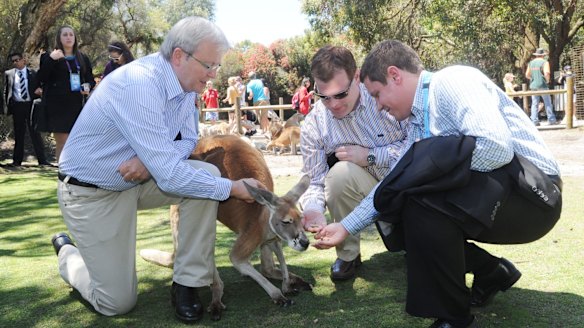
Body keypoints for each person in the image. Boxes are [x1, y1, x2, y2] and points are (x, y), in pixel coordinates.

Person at [313, 40, 562, 328]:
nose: (379, 106)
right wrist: (345, 226)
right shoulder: (418, 123)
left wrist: (431, 174)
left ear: (395, 75)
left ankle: (454, 319)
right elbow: (395, 182)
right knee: (404, 199)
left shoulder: (452, 81)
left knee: (421, 193)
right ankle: (490, 274)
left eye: (378, 95)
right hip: (501, 196)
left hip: (534, 195)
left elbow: (497, 148)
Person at [50, 16, 265, 323]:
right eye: (210, 66)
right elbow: (169, 173)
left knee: (206, 176)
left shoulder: (188, 85)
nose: (214, 75)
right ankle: (68, 255)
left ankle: (188, 283)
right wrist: (233, 188)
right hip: (90, 192)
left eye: (216, 66)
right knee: (116, 302)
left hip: (136, 181)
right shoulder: (139, 84)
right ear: (179, 56)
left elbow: (188, 139)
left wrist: (149, 161)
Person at [299, 45, 406, 281]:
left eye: (340, 94)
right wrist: (314, 210)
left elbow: (417, 147)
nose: (334, 105)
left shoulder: (384, 97)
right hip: (365, 185)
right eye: (324, 97)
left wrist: (370, 155)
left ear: (356, 76)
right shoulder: (314, 123)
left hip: (405, 184)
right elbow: (313, 180)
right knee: (339, 175)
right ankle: (348, 255)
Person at [37, 25, 95, 162]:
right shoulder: (49, 56)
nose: (68, 37)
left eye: (71, 34)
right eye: (65, 35)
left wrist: (87, 86)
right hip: (57, 106)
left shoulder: (82, 58)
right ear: (59, 38)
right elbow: (40, 78)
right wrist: (51, 60)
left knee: (76, 143)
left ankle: (75, 175)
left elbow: (90, 80)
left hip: (76, 105)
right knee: (63, 142)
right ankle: (62, 176)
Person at [3, 52, 50, 167]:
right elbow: (6, 91)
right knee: (19, 134)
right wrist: (7, 107)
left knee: (35, 133)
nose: (15, 62)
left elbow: (41, 85)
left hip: (31, 105)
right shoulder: (9, 74)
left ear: (23, 60)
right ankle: (17, 161)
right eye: (13, 61)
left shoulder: (33, 73)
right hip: (17, 106)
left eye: (17, 60)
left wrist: (40, 90)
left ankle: (42, 160)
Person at [525, 48, 557, 126]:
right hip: (542, 85)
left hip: (533, 86)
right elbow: (546, 73)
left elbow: (527, 75)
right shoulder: (545, 62)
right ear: (543, 55)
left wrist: (533, 79)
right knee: (548, 103)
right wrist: (547, 80)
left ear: (536, 55)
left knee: (534, 104)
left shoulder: (531, 63)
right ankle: (551, 120)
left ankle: (534, 120)